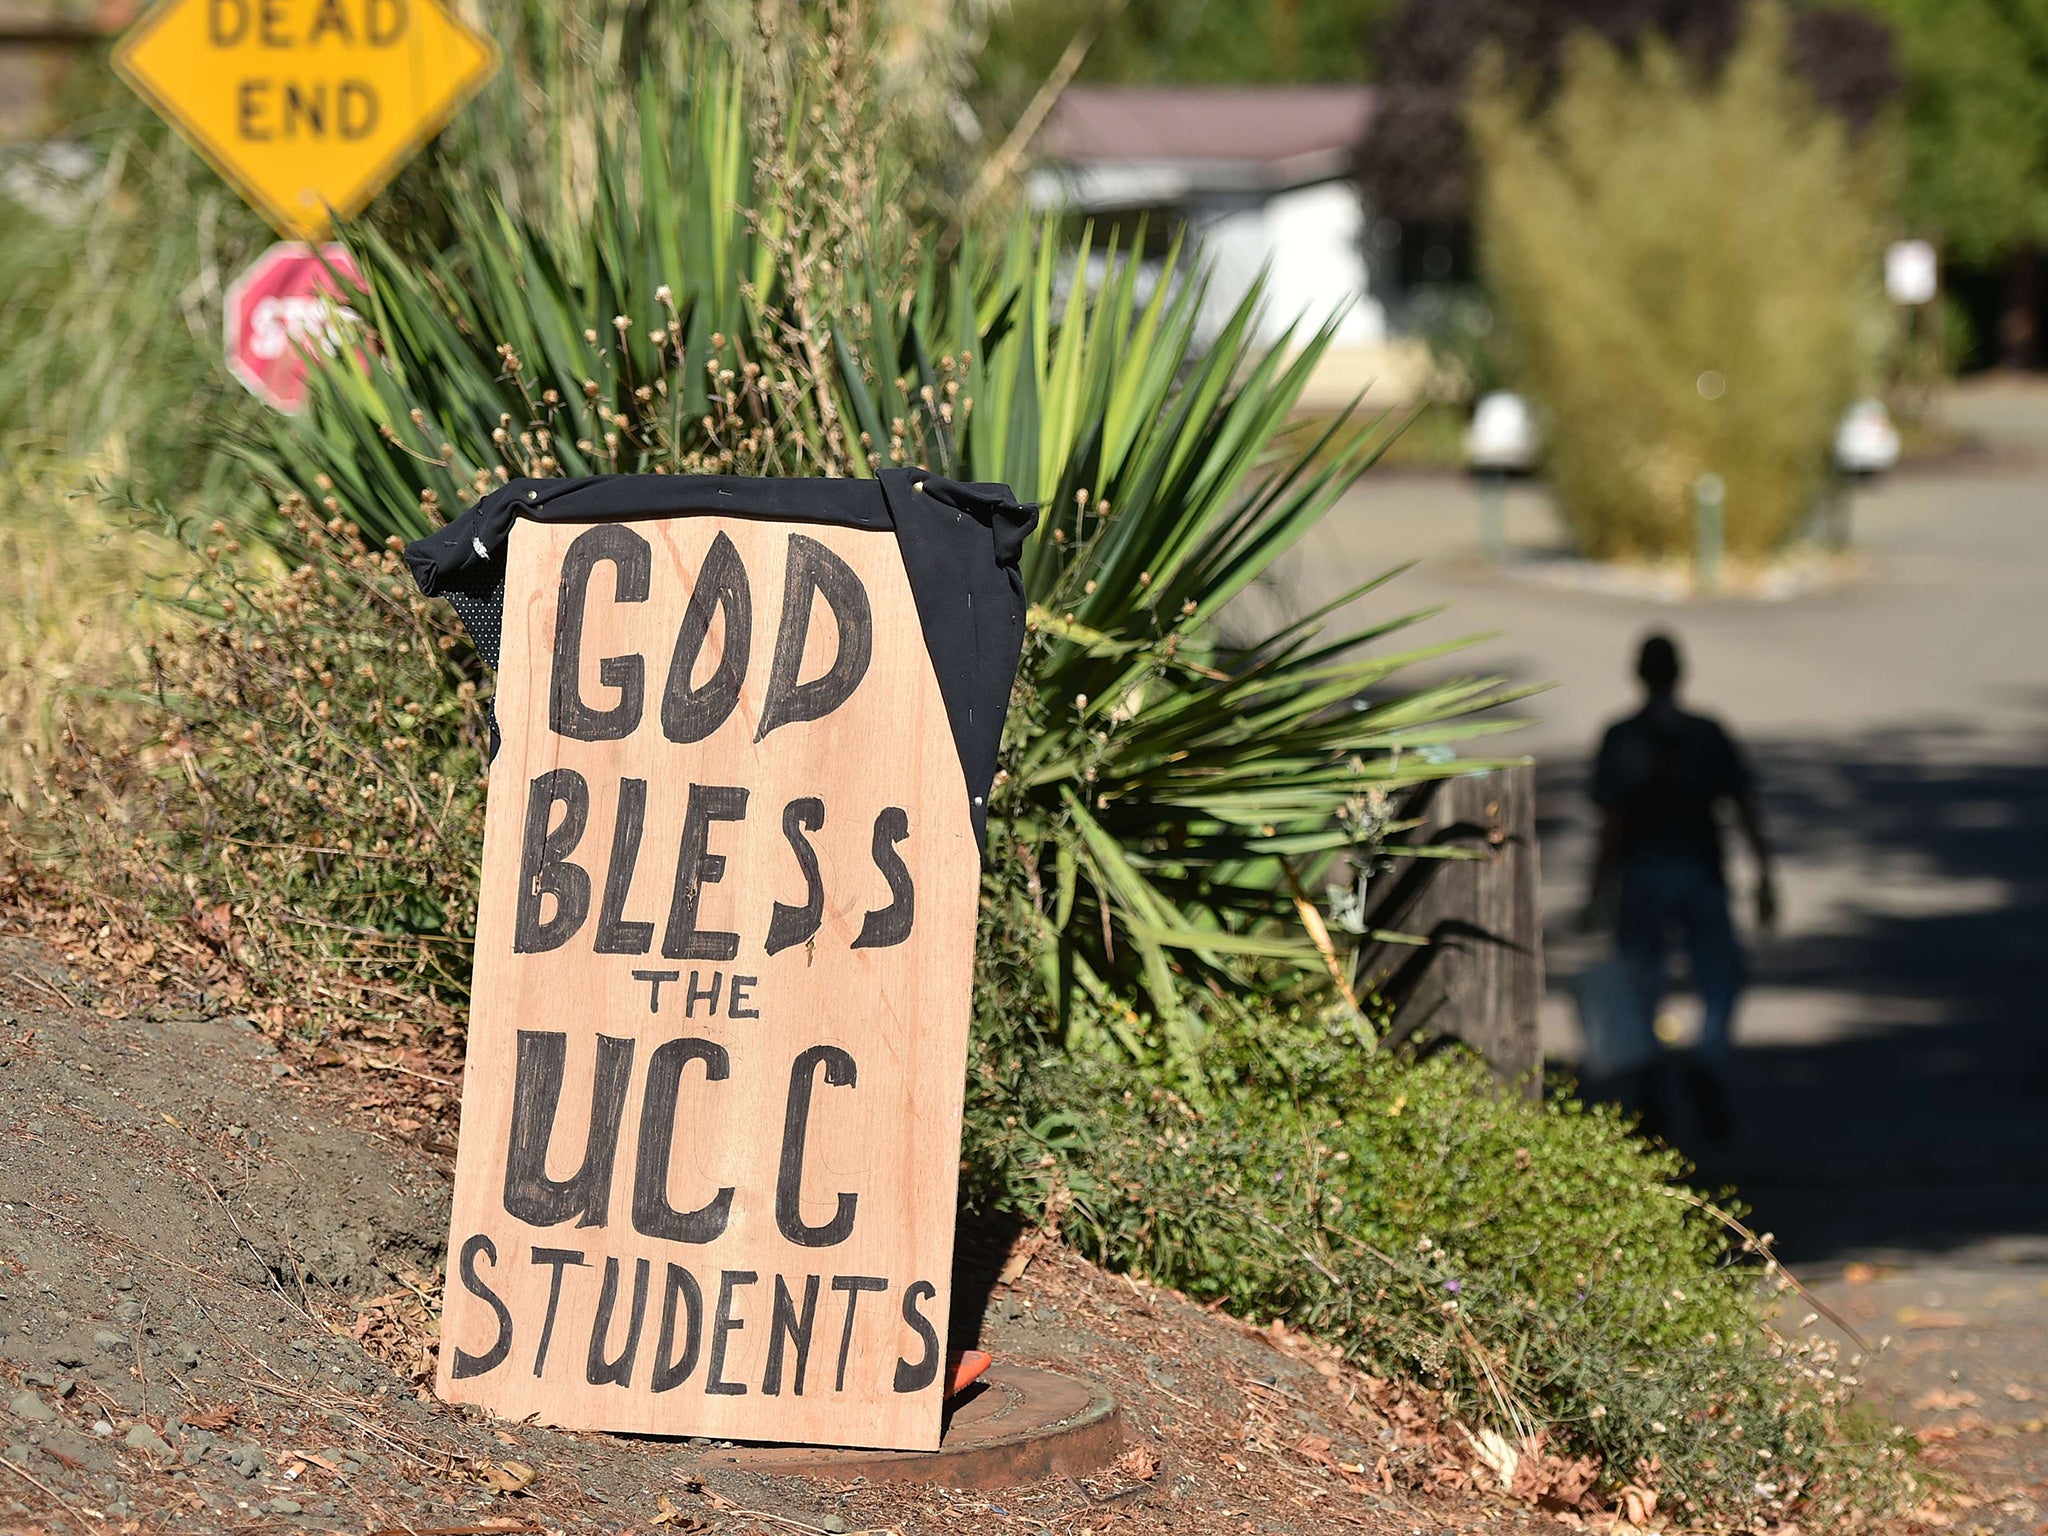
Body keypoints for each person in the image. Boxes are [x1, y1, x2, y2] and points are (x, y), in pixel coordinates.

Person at [1585, 633, 1775, 1140]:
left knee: (1642, 980)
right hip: (1700, 870)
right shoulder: (1707, 733)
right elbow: (1743, 808)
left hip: (1643, 874)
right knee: (1719, 977)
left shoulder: (1622, 737)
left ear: (1639, 673)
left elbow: (1613, 824)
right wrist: (1764, 873)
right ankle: (1707, 1057)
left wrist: (1597, 890)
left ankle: (1650, 1080)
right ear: (1681, 672)